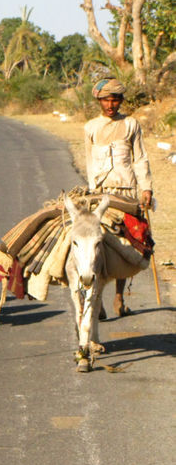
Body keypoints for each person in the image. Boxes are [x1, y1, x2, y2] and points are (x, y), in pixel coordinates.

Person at [83, 77, 153, 317]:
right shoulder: (91, 127)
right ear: (99, 101)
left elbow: (140, 158)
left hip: (126, 192)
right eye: (106, 100)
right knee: (98, 246)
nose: (110, 105)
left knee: (128, 243)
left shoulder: (131, 124)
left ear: (121, 100)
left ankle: (119, 299)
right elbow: (89, 161)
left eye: (115, 100)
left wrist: (146, 189)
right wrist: (92, 191)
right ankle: (98, 300)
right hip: (101, 194)